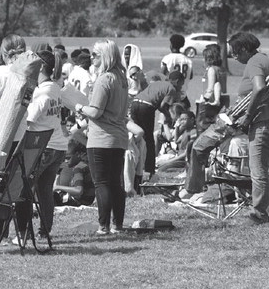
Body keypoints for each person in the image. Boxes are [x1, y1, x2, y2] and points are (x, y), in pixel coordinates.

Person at [182, 33, 269, 224]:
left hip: (265, 120)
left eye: (235, 53)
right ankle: (267, 214)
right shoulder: (262, 59)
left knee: (257, 170)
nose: (234, 57)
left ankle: (260, 215)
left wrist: (247, 117)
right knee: (259, 168)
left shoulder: (255, 62)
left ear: (245, 49)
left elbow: (260, 88)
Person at [73, 39, 129, 235]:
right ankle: (117, 225)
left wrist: (80, 107)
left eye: (95, 54)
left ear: (105, 56)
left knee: (102, 183)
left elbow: (95, 111)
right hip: (119, 137)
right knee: (115, 183)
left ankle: (103, 226)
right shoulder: (121, 77)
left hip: (101, 138)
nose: (91, 57)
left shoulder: (104, 79)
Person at [14, 50, 68, 242]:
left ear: (41, 67)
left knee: (26, 189)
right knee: (45, 190)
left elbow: (30, 118)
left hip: (43, 147)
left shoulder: (43, 92)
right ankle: (45, 229)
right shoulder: (55, 87)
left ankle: (25, 231)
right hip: (58, 146)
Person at [130, 70, 184, 180]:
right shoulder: (172, 89)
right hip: (146, 107)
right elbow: (163, 105)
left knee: (138, 137)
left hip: (135, 104)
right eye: (181, 84)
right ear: (177, 82)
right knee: (149, 140)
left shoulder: (158, 83)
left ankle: (135, 166)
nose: (181, 87)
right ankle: (149, 170)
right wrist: (168, 116)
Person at [195, 44, 228, 133]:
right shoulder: (222, 69)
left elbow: (210, 88)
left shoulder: (211, 70)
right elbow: (222, 88)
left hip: (209, 104)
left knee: (201, 130)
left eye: (204, 57)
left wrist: (203, 99)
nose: (203, 60)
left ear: (208, 59)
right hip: (222, 102)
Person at [54, 138, 95, 206]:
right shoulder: (85, 165)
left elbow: (78, 190)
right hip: (86, 201)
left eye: (68, 158)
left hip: (80, 202)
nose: (66, 161)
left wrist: (57, 187)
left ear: (78, 154)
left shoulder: (78, 168)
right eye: (64, 158)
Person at [160, 34, 193, 109]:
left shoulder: (167, 59)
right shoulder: (188, 60)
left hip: (170, 94)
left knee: (168, 117)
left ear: (171, 45)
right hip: (183, 95)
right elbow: (190, 76)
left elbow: (161, 75)